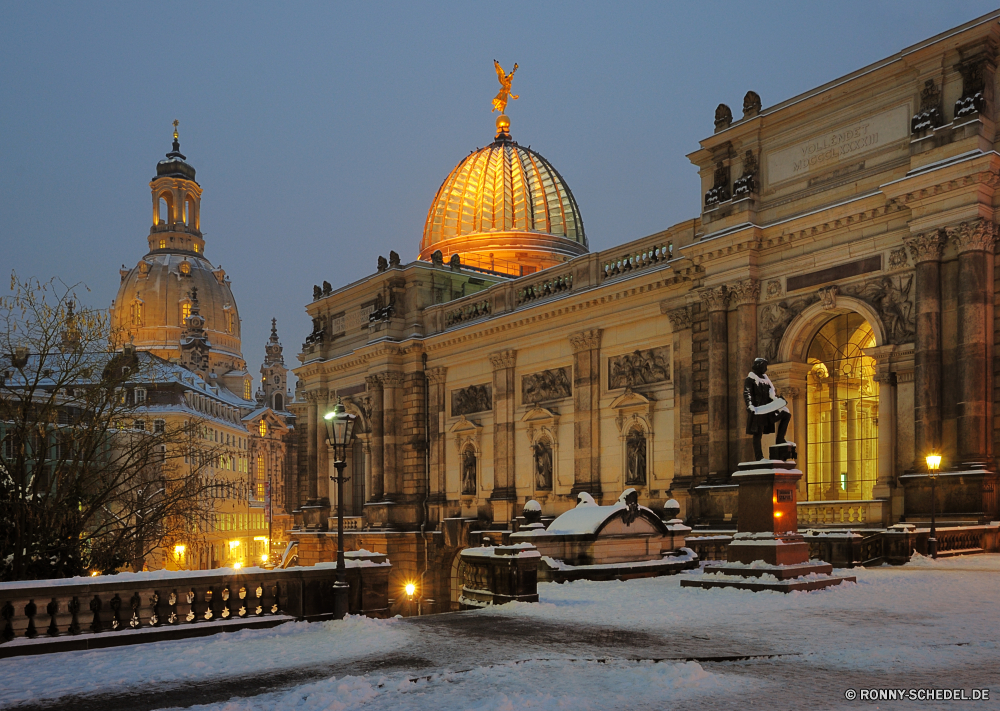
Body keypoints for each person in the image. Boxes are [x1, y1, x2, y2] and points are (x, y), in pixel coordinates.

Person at [744, 357, 791, 461]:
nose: (765, 369)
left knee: (786, 414)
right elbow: (747, 393)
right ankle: (759, 457)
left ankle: (780, 439)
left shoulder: (766, 379)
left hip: (769, 410)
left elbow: (772, 393)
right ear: (759, 366)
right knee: (758, 434)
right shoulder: (750, 379)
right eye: (764, 366)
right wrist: (750, 405)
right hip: (758, 410)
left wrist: (778, 401)